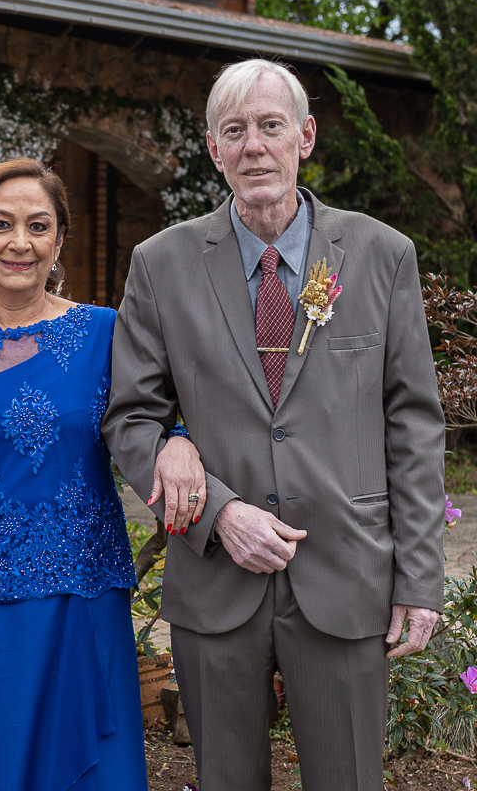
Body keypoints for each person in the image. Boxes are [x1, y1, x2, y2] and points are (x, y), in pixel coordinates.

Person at [103, 58, 446, 791]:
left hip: (347, 574)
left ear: (306, 136)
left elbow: (413, 425)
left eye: (270, 126)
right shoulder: (160, 265)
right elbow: (131, 417)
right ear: (213, 149)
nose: (254, 145)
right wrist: (218, 512)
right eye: (235, 131)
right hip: (216, 581)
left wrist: (418, 577)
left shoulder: (384, 256)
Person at [0, 158, 200, 790]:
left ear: (60, 240)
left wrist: (178, 441)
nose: (19, 243)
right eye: (1, 224)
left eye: (38, 226)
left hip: (84, 601)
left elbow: (164, 413)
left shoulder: (104, 334)